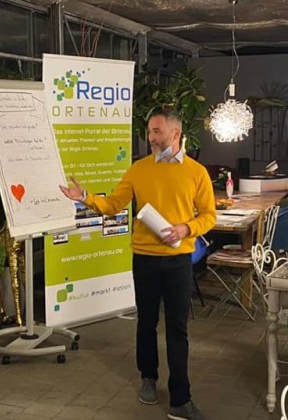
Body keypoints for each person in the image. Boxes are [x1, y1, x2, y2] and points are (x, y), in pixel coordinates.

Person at [60, 108, 215, 420]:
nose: (150, 137)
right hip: (144, 259)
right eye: (149, 131)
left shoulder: (197, 172)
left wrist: (186, 228)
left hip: (178, 260)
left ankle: (180, 399)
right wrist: (85, 196)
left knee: (178, 329)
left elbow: (209, 215)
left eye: (157, 131)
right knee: (146, 323)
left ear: (175, 133)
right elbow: (113, 205)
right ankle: (148, 377)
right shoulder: (138, 169)